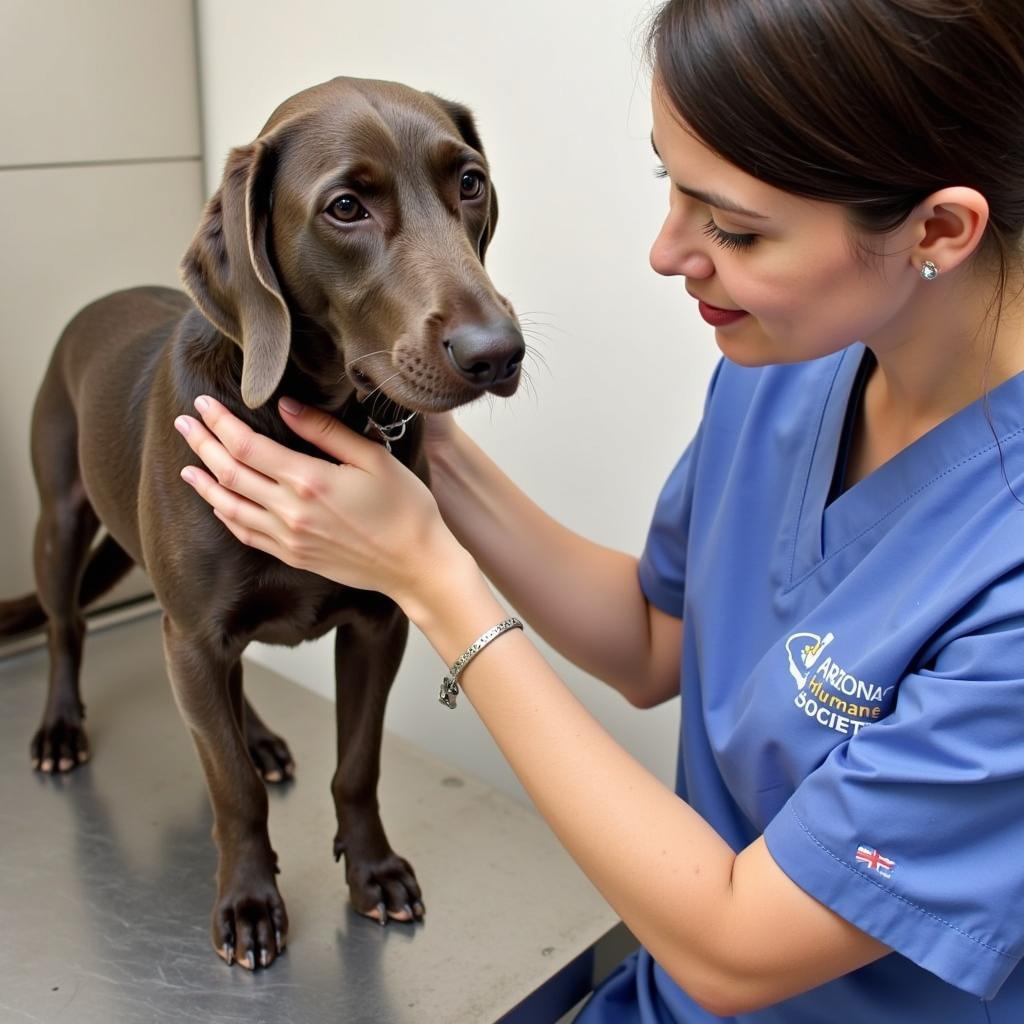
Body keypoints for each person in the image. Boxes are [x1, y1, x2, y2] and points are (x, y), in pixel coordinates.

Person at [172, 0, 1024, 1018]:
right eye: (673, 185)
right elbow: (657, 638)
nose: (667, 254)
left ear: (937, 228)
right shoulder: (792, 368)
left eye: (734, 226)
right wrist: (418, 447)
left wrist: (432, 579)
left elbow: (737, 949)